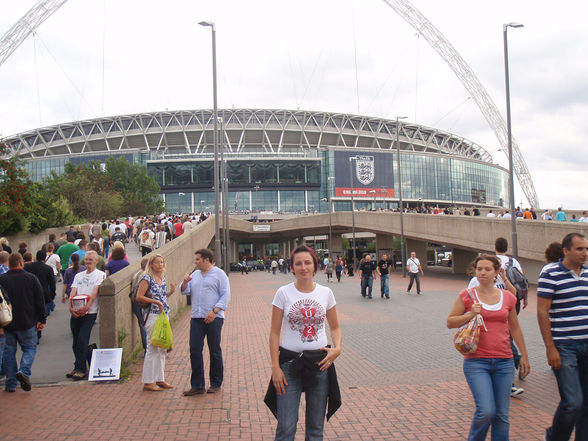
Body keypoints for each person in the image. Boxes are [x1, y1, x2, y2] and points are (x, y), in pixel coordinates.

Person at [446, 254, 530, 441]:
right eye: (479, 269)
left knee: (501, 415)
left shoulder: (508, 297)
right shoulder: (467, 295)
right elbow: (450, 322)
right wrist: (469, 315)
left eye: (487, 269)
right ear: (475, 272)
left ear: (496, 273)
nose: (483, 273)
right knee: (486, 411)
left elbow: (514, 327)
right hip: (477, 362)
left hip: (504, 362)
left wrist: (524, 354)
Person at [267, 245, 342, 440]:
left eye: (307, 262)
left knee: (316, 428)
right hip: (289, 364)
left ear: (315, 265)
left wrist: (337, 348)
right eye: (298, 263)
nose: (303, 267)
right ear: (291, 267)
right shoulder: (283, 293)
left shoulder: (326, 293)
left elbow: (334, 327)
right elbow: (274, 333)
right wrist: (275, 367)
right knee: (286, 427)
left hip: (320, 363)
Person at [537, 232, 588, 441]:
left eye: (586, 249)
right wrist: (550, 347)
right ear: (566, 251)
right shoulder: (550, 273)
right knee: (572, 402)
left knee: (586, 403)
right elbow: (542, 311)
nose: (585, 253)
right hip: (564, 347)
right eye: (579, 249)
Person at [181, 248, 230, 396]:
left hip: (213, 318)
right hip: (197, 317)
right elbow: (184, 291)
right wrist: (184, 282)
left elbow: (225, 295)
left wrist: (214, 311)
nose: (195, 262)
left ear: (206, 260)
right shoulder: (195, 275)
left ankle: (215, 383)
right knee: (194, 349)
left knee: (214, 350)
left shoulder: (220, 274)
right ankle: (198, 385)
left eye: (197, 259)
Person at [0, 253, 46, 392]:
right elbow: (40, 299)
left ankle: (10, 382)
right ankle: (24, 371)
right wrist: (41, 319)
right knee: (30, 348)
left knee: (9, 352)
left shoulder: (2, 279)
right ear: (21, 262)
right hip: (27, 321)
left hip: (8, 323)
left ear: (9, 263)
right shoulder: (31, 278)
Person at [135, 254, 176, 391]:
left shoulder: (162, 278)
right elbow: (139, 297)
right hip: (152, 315)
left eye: (162, 262)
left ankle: (160, 378)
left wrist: (170, 292)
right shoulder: (147, 278)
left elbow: (162, 296)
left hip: (163, 314)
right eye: (157, 262)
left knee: (162, 347)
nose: (160, 265)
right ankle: (148, 381)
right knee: (152, 347)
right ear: (151, 264)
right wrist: (155, 302)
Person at [67, 251, 106, 380]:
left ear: (96, 261)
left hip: (90, 312)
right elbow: (73, 291)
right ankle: (78, 365)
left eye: (90, 260)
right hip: (76, 311)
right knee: (75, 341)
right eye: (86, 260)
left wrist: (87, 306)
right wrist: (71, 307)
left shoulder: (100, 275)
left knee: (82, 339)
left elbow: (95, 292)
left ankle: (81, 369)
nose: (88, 262)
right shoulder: (78, 275)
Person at [24, 250, 56, 324]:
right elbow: (52, 283)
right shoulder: (48, 268)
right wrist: (52, 294)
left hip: (30, 292)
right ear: (45, 258)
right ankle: (39, 326)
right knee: (42, 313)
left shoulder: (28, 267)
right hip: (43, 293)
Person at [131, 256, 150, 354]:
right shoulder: (146, 276)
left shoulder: (136, 274)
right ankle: (147, 348)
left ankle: (146, 347)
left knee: (141, 324)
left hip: (135, 303)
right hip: (142, 303)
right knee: (145, 324)